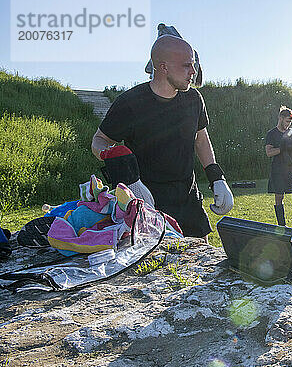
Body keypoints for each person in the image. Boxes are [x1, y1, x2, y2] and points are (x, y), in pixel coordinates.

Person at [91, 35, 233, 241]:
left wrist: (216, 177)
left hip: (188, 201)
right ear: (163, 67)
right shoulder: (130, 103)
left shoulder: (194, 99)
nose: (193, 72)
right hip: (147, 204)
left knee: (201, 264)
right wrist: (122, 171)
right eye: (187, 66)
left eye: (193, 65)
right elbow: (99, 140)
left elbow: (201, 139)